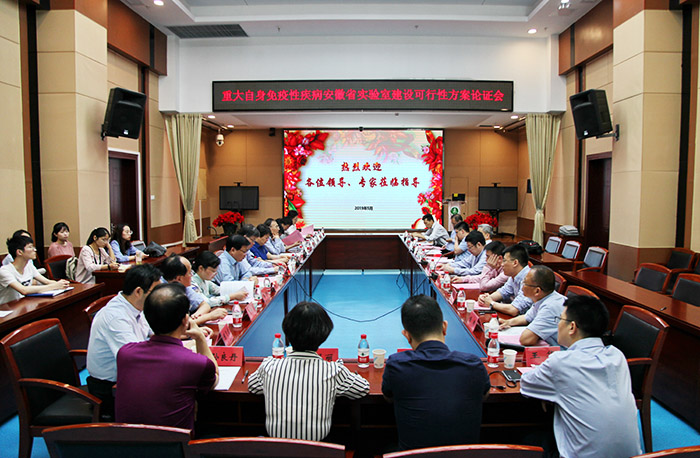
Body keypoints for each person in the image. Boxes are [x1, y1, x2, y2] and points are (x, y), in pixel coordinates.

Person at [520, 296, 642, 458]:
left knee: (526, 438)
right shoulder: (617, 356)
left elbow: (526, 384)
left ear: (572, 327)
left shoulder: (561, 362)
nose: (557, 324)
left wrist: (549, 391)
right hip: (633, 456)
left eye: (560, 319)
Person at [382, 295, 490, 451]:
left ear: (407, 335)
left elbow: (388, 396)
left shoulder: (396, 365)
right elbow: (483, 395)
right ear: (444, 327)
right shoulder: (474, 365)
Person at [248, 301, 369, 441]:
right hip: (318, 449)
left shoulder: (268, 367)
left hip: (277, 449)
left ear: (287, 330)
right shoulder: (333, 370)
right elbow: (363, 388)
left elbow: (252, 386)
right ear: (324, 335)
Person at [115, 283, 219, 429]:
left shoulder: (125, 353)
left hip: (125, 441)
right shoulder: (196, 363)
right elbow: (214, 378)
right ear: (186, 320)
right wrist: (200, 338)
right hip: (176, 443)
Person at [86, 264, 162, 418]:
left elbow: (154, 332)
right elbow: (135, 360)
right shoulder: (116, 317)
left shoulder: (135, 306)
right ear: (138, 291)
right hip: (109, 390)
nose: (159, 298)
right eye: (155, 292)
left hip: (129, 379)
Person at [498, 265, 566, 346]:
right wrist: (508, 322)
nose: (522, 286)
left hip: (562, 351)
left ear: (537, 291)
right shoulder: (543, 298)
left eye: (525, 283)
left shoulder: (551, 307)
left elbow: (526, 340)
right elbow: (527, 317)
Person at [0, 235, 70, 305]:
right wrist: (54, 286)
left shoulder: (29, 266)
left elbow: (46, 281)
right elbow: (23, 290)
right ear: (19, 252)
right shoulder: (5, 271)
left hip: (25, 304)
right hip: (8, 308)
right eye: (30, 247)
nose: (35, 250)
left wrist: (61, 284)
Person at [160, 255, 227, 325]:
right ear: (179, 278)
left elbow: (204, 304)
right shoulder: (163, 295)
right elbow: (179, 326)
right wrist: (208, 317)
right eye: (189, 273)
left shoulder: (183, 285)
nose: (192, 275)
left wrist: (195, 317)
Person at [478, 244, 532, 316]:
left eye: (504, 261)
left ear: (515, 263)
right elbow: (503, 292)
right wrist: (487, 298)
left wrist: (491, 303)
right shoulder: (513, 275)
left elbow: (514, 310)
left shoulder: (530, 278)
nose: (502, 264)